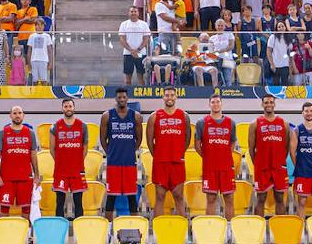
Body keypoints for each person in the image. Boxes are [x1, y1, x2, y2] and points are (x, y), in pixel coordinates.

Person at [146, 87, 191, 218]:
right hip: (161, 163)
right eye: (167, 95)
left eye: (172, 95)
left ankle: (181, 230)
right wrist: (158, 155)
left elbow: (187, 138)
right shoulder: (154, 116)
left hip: (177, 162)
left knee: (179, 196)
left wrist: (179, 152)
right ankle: (157, 230)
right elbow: (149, 141)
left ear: (176, 97)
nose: (169, 97)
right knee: (159, 196)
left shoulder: (184, 116)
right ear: (163, 97)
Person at [100, 87, 142, 220]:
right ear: (116, 99)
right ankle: (108, 228)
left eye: (124, 97)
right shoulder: (107, 116)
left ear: (127, 99)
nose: (122, 99)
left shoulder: (135, 116)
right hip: (113, 163)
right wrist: (111, 152)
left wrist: (130, 150)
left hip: (129, 162)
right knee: (111, 196)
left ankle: (135, 225)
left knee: (131, 195)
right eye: (119, 97)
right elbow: (103, 139)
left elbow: (139, 139)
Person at [195, 93, 239, 219]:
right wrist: (208, 157)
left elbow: (232, 143)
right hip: (210, 168)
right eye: (213, 102)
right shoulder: (201, 123)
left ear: (221, 103)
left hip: (226, 167)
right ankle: (211, 228)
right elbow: (197, 145)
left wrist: (223, 156)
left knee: (229, 198)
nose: (215, 104)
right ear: (209, 104)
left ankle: (229, 230)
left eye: (218, 102)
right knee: (211, 198)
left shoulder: (231, 123)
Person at [0, 106, 40, 216]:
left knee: (26, 210)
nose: (17, 115)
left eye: (19, 113)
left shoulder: (30, 133)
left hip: (25, 178)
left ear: (23, 115)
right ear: (10, 115)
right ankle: (4, 233)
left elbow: (33, 155)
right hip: (6, 178)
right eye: (14, 113)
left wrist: (37, 175)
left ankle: (26, 233)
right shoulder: (2, 133)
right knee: (4, 210)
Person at [249, 95, 291, 216]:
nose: (269, 104)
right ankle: (258, 229)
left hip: (278, 167)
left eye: (271, 102)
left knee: (279, 198)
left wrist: (280, 160)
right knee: (261, 198)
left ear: (274, 104)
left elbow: (286, 146)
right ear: (262, 104)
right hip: (262, 167)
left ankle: (280, 227)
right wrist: (258, 163)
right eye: (266, 102)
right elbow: (251, 149)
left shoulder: (284, 123)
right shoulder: (255, 123)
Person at [49, 98, 88, 219]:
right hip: (61, 170)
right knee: (60, 202)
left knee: (78, 202)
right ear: (62, 109)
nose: (68, 108)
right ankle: (59, 229)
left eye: (70, 106)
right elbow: (52, 149)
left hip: (77, 170)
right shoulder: (55, 126)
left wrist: (77, 161)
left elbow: (85, 148)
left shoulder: (82, 126)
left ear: (74, 108)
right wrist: (61, 161)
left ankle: (79, 230)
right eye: (65, 106)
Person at [119, 6, 151, 85]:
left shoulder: (144, 24)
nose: (133, 13)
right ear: (129, 13)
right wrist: (131, 50)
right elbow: (122, 39)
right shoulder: (124, 24)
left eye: (135, 11)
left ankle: (141, 96)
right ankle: (128, 95)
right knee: (127, 78)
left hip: (140, 54)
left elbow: (146, 39)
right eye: (131, 11)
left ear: (138, 13)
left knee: (141, 77)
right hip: (128, 53)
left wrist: (138, 50)